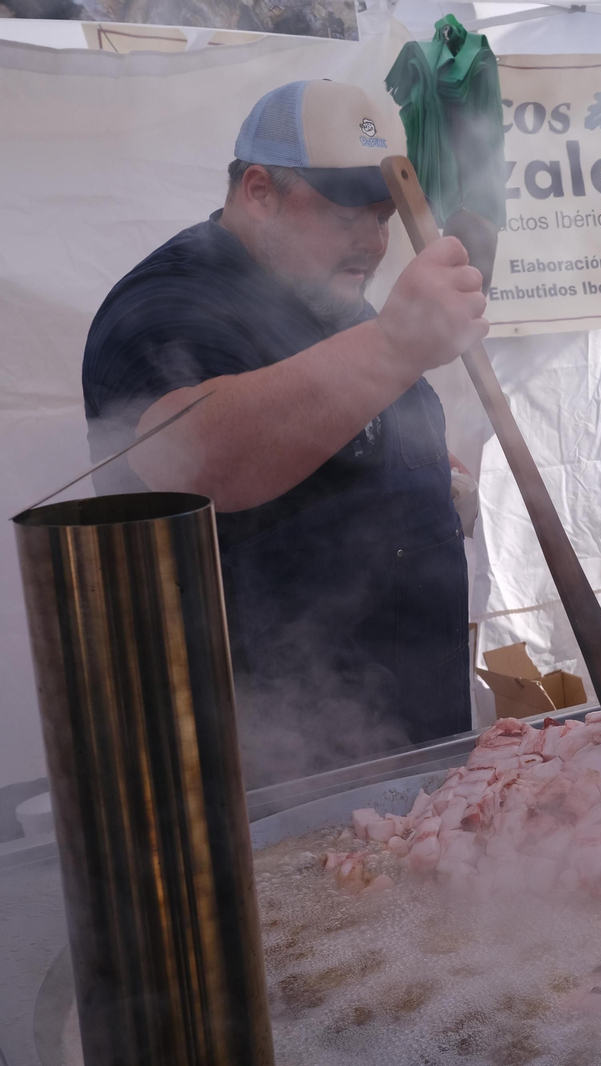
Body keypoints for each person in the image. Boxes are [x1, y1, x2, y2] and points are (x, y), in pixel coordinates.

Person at [81, 80, 489, 785]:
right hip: (266, 770)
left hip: (404, 743)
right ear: (260, 191)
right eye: (343, 209)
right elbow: (197, 458)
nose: (373, 237)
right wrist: (395, 346)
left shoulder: (330, 298)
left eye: (383, 211)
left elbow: (335, 427)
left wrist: (422, 473)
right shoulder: (164, 303)